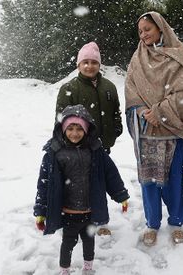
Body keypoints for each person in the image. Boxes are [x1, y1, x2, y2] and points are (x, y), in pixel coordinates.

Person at [125, 11, 183, 246]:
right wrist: (140, 110)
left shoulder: (179, 55)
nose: (143, 34)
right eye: (140, 31)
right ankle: (152, 224)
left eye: (147, 29)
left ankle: (177, 222)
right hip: (146, 132)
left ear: (160, 28)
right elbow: (130, 90)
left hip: (172, 133)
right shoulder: (137, 59)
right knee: (149, 182)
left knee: (174, 181)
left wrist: (161, 111)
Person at [34, 104, 129, 275]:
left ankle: (88, 268)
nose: (75, 133)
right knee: (68, 243)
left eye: (79, 128)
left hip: (89, 209)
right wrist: (41, 210)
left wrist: (120, 194)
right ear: (63, 129)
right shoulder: (54, 153)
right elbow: (44, 184)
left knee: (89, 241)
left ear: (86, 130)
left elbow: (110, 174)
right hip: (68, 211)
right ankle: (64, 270)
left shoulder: (95, 151)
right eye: (70, 128)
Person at [56, 41, 123, 236]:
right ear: (78, 65)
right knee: (78, 186)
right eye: (85, 62)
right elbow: (61, 119)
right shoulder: (69, 88)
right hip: (78, 148)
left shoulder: (109, 87)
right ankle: (75, 219)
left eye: (94, 62)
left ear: (99, 65)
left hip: (102, 146)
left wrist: (116, 129)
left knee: (98, 185)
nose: (89, 66)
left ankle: (99, 221)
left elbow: (116, 112)